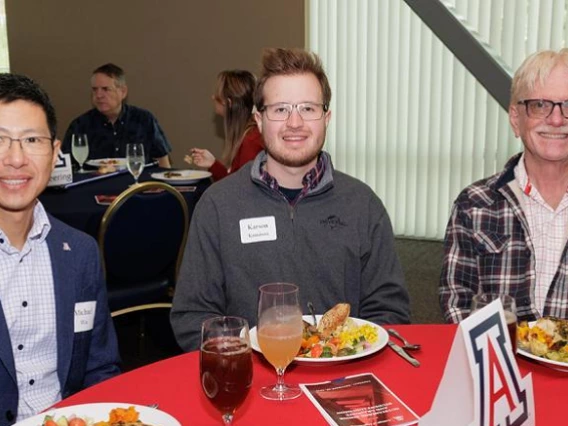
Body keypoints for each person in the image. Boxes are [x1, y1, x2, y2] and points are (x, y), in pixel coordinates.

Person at [171, 48, 410, 351]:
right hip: (253, 381)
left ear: (327, 118)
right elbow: (192, 316)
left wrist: (351, 354)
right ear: (258, 120)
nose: (294, 123)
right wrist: (241, 360)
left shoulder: (362, 205)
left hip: (344, 379)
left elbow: (390, 311)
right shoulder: (218, 206)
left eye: (308, 109)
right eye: (280, 109)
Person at [0, 74, 121, 425]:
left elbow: (100, 365)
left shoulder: (80, 253)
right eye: (2, 140)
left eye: (32, 140)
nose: (16, 158)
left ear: (55, 154)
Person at [440, 48, 568, 323]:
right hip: (496, 363)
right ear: (515, 119)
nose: (557, 120)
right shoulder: (474, 205)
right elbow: (457, 305)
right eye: (540, 105)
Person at [62, 63, 172, 167]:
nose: (99, 95)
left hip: (138, 185)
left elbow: (162, 161)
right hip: (96, 186)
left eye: (105, 89)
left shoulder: (144, 120)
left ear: (123, 92)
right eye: (95, 90)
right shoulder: (80, 125)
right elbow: (67, 167)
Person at [188, 70, 264, 181]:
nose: (213, 97)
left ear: (229, 103)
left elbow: (239, 193)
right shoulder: (249, 135)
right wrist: (212, 164)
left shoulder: (251, 142)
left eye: (218, 96)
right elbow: (233, 183)